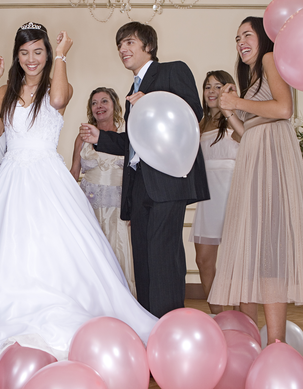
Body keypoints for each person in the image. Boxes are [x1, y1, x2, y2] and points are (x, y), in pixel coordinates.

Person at [0, 21, 158, 373]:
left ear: (46, 53)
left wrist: (61, 54)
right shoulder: (7, 92)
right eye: (25, 53)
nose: (31, 59)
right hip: (11, 179)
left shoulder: (58, 85)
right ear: (17, 55)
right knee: (4, 255)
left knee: (56, 253)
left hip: (47, 177)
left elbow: (59, 98)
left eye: (38, 52)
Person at [80, 22, 210, 318]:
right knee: (143, 260)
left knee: (164, 258)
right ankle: (149, 325)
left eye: (128, 43)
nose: (123, 50)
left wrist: (152, 102)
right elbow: (135, 141)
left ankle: (169, 326)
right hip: (138, 184)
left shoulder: (172, 71)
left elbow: (192, 113)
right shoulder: (132, 90)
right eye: (119, 46)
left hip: (167, 181)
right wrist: (101, 138)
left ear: (147, 46)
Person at [207, 17, 303, 344]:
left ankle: (276, 344)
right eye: (237, 37)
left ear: (263, 38)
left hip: (272, 161)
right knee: (255, 247)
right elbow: (246, 133)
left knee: (270, 250)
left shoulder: (270, 60)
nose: (240, 41)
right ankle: (254, 342)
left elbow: (284, 108)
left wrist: (238, 103)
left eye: (247, 34)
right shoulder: (253, 78)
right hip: (254, 161)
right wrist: (229, 111)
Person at [70, 87, 136, 296]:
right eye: (94, 103)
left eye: (104, 101)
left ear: (115, 105)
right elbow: (73, 172)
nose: (99, 106)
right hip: (89, 209)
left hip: (119, 211)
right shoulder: (82, 138)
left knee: (119, 254)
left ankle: (122, 302)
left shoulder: (128, 136)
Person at [188, 70, 241, 314]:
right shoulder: (198, 124)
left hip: (232, 193)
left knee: (236, 261)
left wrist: (231, 112)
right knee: (203, 260)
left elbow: (249, 139)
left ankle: (241, 318)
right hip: (207, 195)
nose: (211, 91)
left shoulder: (236, 117)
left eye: (217, 86)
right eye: (207, 86)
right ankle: (219, 315)